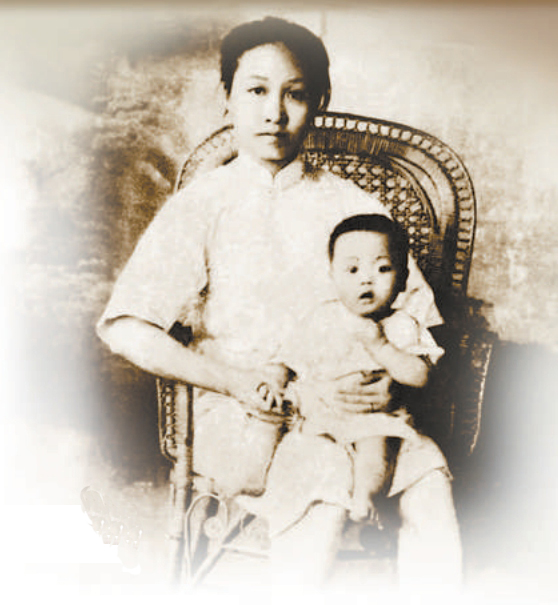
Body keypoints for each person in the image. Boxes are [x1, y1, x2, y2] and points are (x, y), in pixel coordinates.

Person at [96, 16, 461, 589]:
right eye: (256, 91)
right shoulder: (202, 204)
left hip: (357, 415)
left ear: (320, 102)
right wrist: (235, 382)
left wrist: (393, 380)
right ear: (227, 99)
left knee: (427, 474)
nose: (274, 112)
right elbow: (125, 327)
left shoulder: (355, 207)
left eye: (294, 94)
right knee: (320, 470)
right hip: (247, 416)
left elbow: (419, 324)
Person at [246, 213, 446, 526]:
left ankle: (365, 495)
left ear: (404, 278)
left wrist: (382, 346)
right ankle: (257, 480)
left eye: (382, 269)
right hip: (320, 413)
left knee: (376, 447)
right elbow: (287, 358)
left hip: (372, 417)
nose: (366, 280)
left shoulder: (403, 325)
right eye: (352, 270)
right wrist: (274, 379)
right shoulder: (322, 318)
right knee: (285, 429)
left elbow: (421, 375)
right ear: (333, 277)